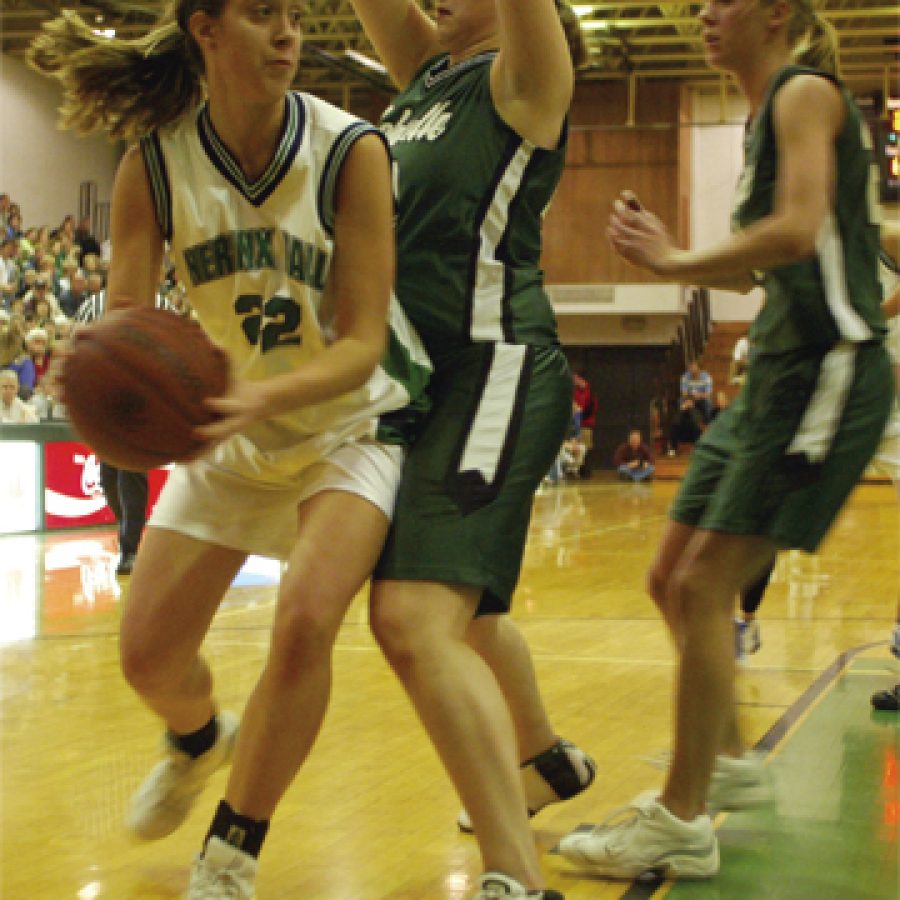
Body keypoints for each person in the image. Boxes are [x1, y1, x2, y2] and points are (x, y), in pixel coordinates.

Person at [30, 3, 431, 898]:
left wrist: (257, 396)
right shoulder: (154, 166)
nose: (287, 34)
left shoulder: (350, 148)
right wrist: (96, 378)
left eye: (292, 16)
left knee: (304, 620)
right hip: (231, 430)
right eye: (261, 16)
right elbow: (129, 321)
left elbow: (363, 341)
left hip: (350, 421)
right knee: (146, 657)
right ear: (205, 28)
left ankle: (231, 855)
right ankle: (197, 738)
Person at [560, 0, 893, 880]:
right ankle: (732, 763)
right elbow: (755, 262)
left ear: (776, 11)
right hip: (775, 372)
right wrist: (672, 254)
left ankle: (681, 816)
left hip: (826, 367)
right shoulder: (761, 119)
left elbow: (797, 231)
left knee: (707, 583)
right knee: (670, 578)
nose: (703, 15)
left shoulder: (803, 95)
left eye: (720, 2)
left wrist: (670, 261)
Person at [349, 2, 591, 897]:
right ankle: (542, 761)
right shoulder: (427, 75)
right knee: (464, 611)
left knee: (412, 616)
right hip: (419, 382)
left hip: (496, 368)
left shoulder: (525, 79)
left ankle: (514, 876)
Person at [680, 358, 714, 423]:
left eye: (693, 367)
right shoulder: (685, 377)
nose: (691, 369)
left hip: (702, 398)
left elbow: (708, 393)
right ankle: (683, 424)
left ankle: (708, 423)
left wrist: (699, 395)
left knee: (708, 402)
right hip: (689, 398)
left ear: (699, 368)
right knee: (681, 401)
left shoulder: (706, 377)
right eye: (690, 367)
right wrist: (690, 399)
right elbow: (684, 393)